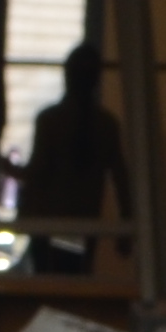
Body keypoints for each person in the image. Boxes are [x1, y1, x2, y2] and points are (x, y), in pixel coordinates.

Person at [14, 38, 127, 279]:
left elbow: (38, 171)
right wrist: (127, 227)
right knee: (75, 284)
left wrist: (12, 171)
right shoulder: (107, 125)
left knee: (47, 285)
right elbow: (122, 181)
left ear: (66, 76)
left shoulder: (50, 120)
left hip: (48, 223)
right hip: (84, 224)